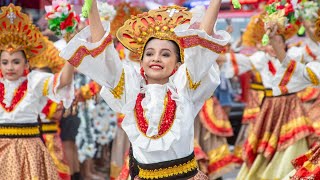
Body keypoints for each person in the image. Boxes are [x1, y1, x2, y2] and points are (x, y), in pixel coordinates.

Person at [60, 0, 230, 179]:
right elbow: (104, 57)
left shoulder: (185, 90)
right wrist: (92, 6)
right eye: (149, 53)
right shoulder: (130, 93)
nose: (156, 58)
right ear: (141, 61)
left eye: (165, 54)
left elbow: (201, 44)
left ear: (178, 63)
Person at [0, 4, 74, 179]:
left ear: (27, 64)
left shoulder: (35, 81)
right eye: (5, 62)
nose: (10, 67)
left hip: (29, 151)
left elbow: (64, 80)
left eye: (16, 62)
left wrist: (72, 48)